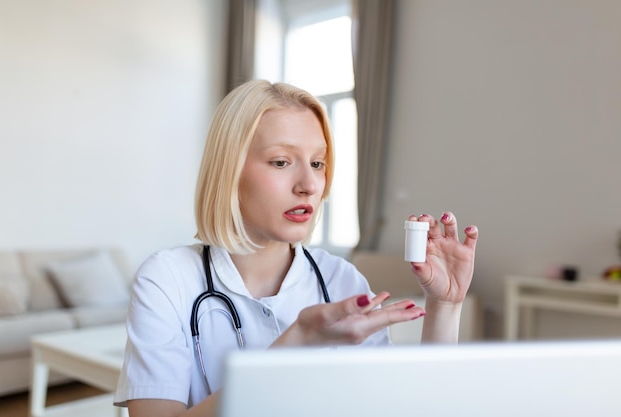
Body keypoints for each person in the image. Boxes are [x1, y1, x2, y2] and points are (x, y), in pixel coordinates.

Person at [114, 80, 478, 417]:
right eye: (281, 162)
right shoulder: (168, 279)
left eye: (318, 163)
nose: (309, 184)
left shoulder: (340, 279)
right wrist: (294, 344)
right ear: (229, 170)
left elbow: (410, 408)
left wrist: (445, 307)